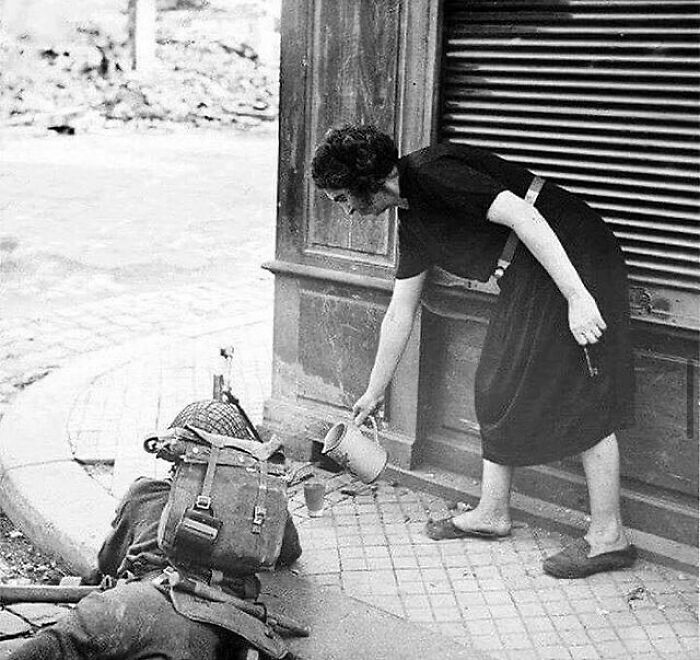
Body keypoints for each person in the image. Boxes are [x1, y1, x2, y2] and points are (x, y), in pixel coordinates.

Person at [311, 124, 636, 579]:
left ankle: (609, 537)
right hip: (529, 269)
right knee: (493, 381)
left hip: (571, 252)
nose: (346, 212)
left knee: (576, 389)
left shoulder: (433, 173)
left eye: (343, 198)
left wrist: (578, 298)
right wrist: (373, 390)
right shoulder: (413, 222)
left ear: (370, 183)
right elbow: (399, 311)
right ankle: (492, 513)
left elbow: (526, 217)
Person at [9, 400, 302, 660]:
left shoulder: (145, 492)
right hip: (220, 626)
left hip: (134, 606)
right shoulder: (252, 515)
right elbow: (289, 551)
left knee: (53, 646)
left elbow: (108, 563)